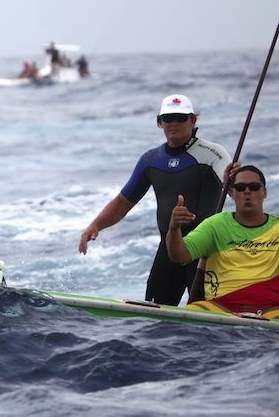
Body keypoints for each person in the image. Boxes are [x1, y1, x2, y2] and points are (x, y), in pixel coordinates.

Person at [78, 94, 231, 305]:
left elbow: (234, 186)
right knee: (155, 318)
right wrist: (95, 225)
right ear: (160, 122)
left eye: (180, 117)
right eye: (168, 118)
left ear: (193, 121)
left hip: (205, 251)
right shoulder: (151, 160)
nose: (174, 123)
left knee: (206, 320)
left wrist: (234, 180)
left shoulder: (213, 153)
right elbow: (123, 202)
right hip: (168, 248)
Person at [168, 164, 279, 317]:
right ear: (232, 193)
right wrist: (174, 228)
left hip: (271, 311)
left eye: (254, 187)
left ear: (264, 192)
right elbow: (179, 255)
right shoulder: (215, 225)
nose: (247, 192)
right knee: (190, 313)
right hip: (221, 309)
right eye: (240, 187)